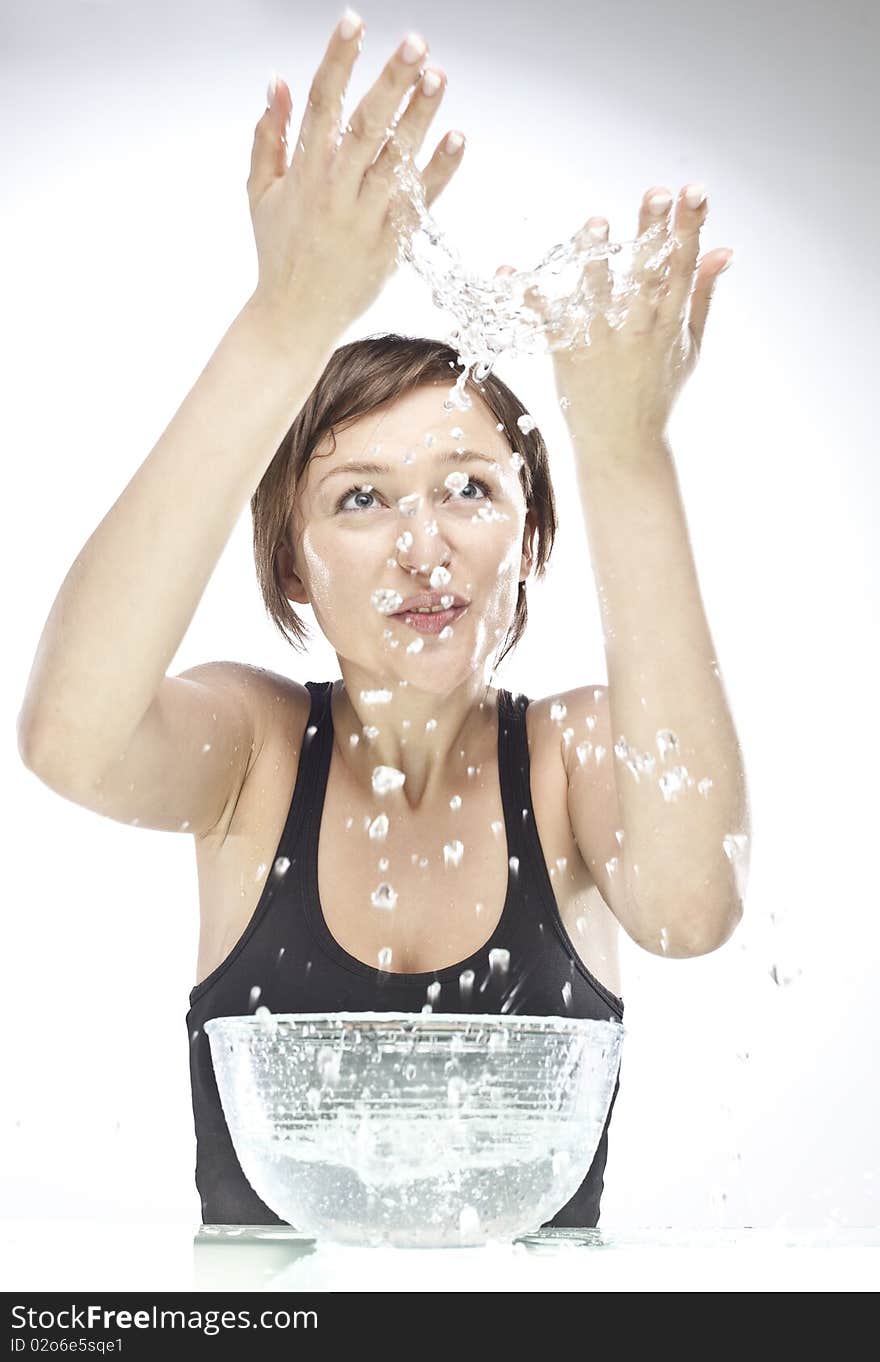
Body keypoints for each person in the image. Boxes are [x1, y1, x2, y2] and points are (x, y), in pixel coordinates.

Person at [16, 10, 747, 1230]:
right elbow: (69, 740)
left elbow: (691, 910)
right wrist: (286, 321)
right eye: (361, 499)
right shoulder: (252, 753)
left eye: (471, 487)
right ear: (293, 563)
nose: (425, 546)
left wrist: (625, 451)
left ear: (531, 539)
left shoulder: (571, 760)